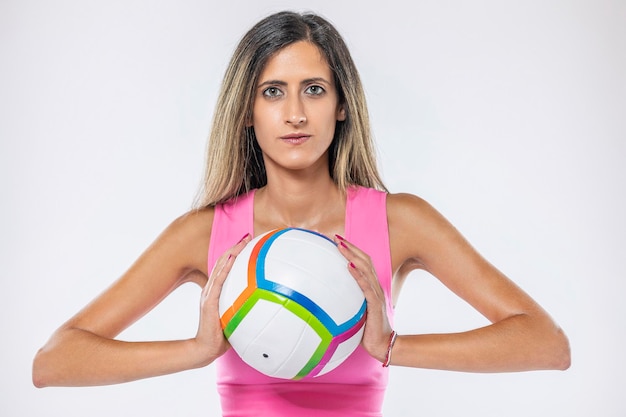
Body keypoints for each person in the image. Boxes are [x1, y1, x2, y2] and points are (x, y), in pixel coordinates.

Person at [32, 10, 570, 416]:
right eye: (273, 93)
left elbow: (546, 344)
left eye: (314, 90)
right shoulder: (204, 234)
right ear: (247, 110)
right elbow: (53, 363)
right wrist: (196, 350)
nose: (294, 114)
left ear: (341, 104)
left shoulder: (399, 222)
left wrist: (391, 347)